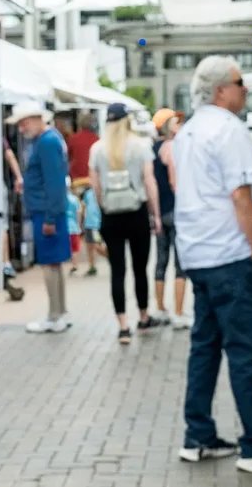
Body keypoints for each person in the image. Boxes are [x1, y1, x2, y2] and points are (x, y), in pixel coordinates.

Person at [170, 56, 252, 473]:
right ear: (220, 90)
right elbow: (240, 194)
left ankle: (198, 435)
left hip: (199, 253)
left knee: (205, 346)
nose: (245, 89)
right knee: (245, 349)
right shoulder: (228, 130)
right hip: (232, 254)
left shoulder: (188, 131)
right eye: (239, 82)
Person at [90, 102, 162, 345]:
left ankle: (123, 326)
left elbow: (95, 185)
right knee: (140, 268)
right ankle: (143, 316)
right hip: (137, 212)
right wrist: (156, 215)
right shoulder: (141, 146)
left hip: (111, 214)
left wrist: (103, 207)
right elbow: (149, 182)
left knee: (117, 271)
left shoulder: (97, 149)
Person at [13, 101, 72, 333]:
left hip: (46, 212)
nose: (21, 129)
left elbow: (54, 183)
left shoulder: (46, 143)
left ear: (37, 119)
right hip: (49, 210)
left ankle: (54, 315)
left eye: (24, 123)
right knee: (54, 264)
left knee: (49, 264)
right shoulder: (50, 139)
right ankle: (59, 312)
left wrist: (49, 218)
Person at [150, 109, 188, 327]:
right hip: (175, 211)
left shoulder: (153, 149)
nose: (179, 125)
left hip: (160, 212)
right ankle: (179, 313)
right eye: (176, 122)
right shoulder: (172, 147)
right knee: (180, 264)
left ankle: (161, 308)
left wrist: (154, 213)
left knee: (161, 262)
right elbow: (175, 183)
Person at [64, 111, 105, 275]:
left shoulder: (73, 139)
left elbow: (67, 157)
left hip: (78, 183)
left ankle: (78, 243)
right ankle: (96, 249)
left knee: (77, 215)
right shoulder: (97, 140)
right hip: (92, 180)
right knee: (93, 217)